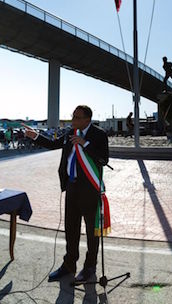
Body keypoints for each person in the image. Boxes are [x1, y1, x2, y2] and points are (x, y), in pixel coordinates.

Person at [23, 105, 109, 284]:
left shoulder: (98, 134)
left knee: (92, 233)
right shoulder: (71, 132)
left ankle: (90, 267)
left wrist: (84, 144)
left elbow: (103, 159)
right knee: (71, 229)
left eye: (77, 117)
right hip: (72, 188)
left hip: (90, 191)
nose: (73, 120)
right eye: (73, 116)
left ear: (87, 119)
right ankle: (69, 265)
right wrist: (36, 136)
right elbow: (54, 144)